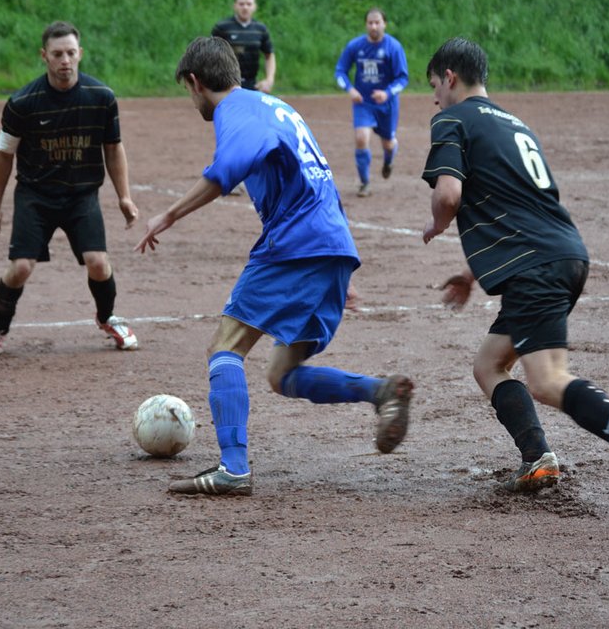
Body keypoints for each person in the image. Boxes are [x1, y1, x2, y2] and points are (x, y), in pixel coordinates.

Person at [136, 36, 413, 496]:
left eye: (188, 91)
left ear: (194, 81)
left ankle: (233, 468)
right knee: (282, 374)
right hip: (330, 245)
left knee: (225, 348)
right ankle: (381, 391)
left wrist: (168, 214)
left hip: (294, 244)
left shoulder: (236, 112)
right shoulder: (273, 105)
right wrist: (339, 266)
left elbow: (226, 168)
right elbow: (319, 175)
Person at [420, 37, 609, 518]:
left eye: (435, 85)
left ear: (450, 78)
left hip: (535, 267)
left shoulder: (452, 119)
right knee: (489, 364)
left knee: (547, 379)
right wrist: (470, 271)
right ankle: (536, 457)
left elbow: (450, 196)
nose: (435, 97)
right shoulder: (514, 123)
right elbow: (515, 204)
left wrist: (436, 223)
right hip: (561, 254)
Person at [0, 21, 139, 356]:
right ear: (44, 56)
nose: (64, 60)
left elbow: (113, 148)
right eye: (57, 54)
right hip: (35, 195)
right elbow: (4, 153)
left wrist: (124, 196)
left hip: (81, 195)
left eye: (70, 53)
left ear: (80, 54)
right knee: (21, 267)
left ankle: (108, 317)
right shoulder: (24, 102)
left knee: (98, 261)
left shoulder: (101, 98)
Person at [334, 7, 408, 198]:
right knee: (361, 138)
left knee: (388, 144)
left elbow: (402, 78)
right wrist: (351, 90)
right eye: (370, 23)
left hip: (387, 104)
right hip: (363, 102)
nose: (374, 26)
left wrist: (387, 93)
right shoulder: (355, 46)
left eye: (377, 22)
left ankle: (388, 161)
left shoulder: (394, 47)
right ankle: (364, 182)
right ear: (366, 24)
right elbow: (340, 71)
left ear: (384, 24)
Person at [211, 0, 276, 93]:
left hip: (251, 84)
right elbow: (210, 55)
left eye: (249, 4)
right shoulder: (222, 28)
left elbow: (269, 55)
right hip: (226, 84)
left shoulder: (260, 29)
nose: (245, 7)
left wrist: (269, 79)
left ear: (254, 6)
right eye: (241, 4)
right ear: (235, 6)